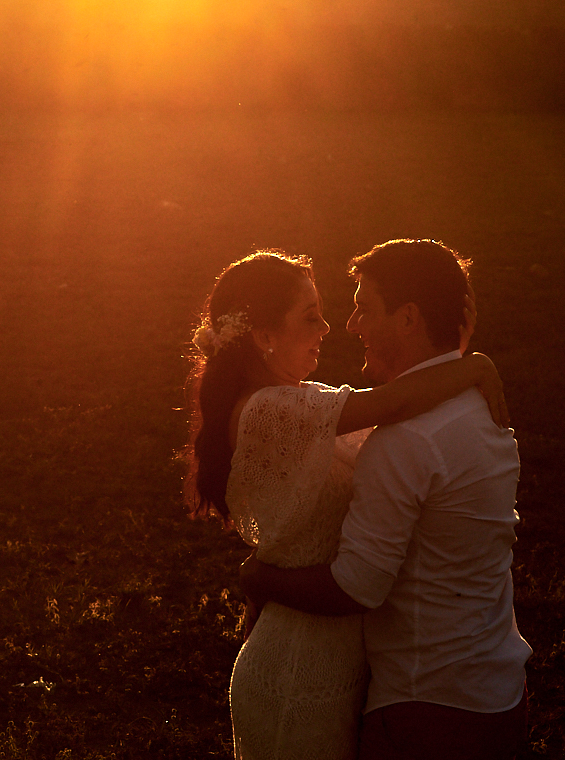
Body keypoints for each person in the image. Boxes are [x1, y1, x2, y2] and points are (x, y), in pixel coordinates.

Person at [183, 247, 509, 760]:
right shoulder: (269, 411)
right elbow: (394, 402)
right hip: (298, 671)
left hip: (332, 663)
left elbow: (399, 406)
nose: (330, 327)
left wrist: (447, 354)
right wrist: (470, 365)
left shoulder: (299, 402)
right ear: (264, 336)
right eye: (310, 316)